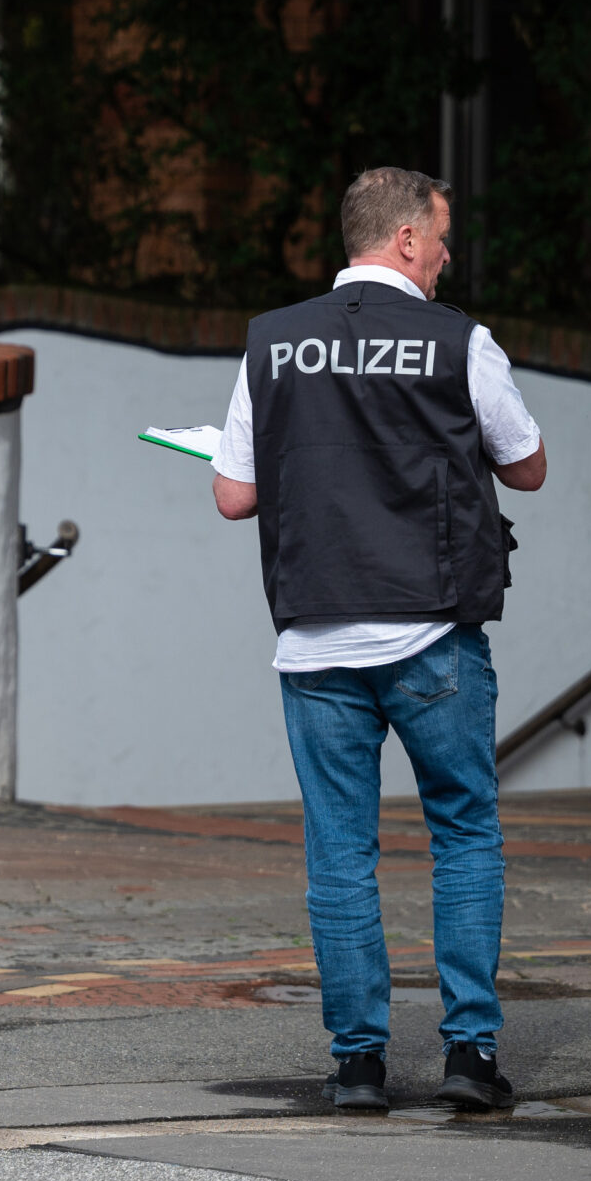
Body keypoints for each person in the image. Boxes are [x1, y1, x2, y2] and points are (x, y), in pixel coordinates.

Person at [210, 167, 548, 1112]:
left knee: (340, 853)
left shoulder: (271, 345)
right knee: (466, 836)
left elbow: (234, 495)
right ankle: (469, 1058)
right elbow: (527, 468)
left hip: (317, 641)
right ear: (404, 240)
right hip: (432, 633)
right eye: (441, 239)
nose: (447, 257)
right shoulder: (459, 342)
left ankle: (358, 1064)